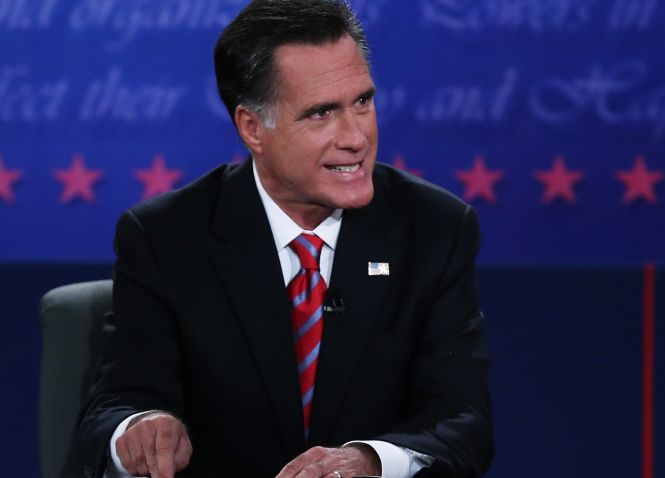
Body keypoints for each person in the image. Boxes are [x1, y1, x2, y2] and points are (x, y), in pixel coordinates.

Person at [75, 1, 493, 477]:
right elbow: (112, 406)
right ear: (253, 128)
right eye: (321, 114)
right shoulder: (166, 238)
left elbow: (464, 422)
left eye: (362, 101)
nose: (356, 136)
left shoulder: (434, 229)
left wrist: (369, 462)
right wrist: (141, 426)